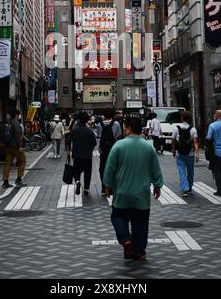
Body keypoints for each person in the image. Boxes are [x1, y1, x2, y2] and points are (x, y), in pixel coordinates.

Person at [103, 116, 163, 261]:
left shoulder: (118, 146)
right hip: (141, 194)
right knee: (140, 222)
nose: (124, 129)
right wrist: (157, 185)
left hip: (122, 193)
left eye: (125, 127)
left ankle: (126, 239)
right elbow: (156, 168)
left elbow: (109, 168)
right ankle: (139, 251)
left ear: (129, 129)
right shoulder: (148, 147)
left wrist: (107, 185)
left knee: (117, 216)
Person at [66, 112, 97, 196]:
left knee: (76, 171)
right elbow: (94, 144)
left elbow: (68, 141)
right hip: (87, 155)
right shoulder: (90, 131)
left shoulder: (74, 130)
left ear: (79, 119)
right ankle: (86, 189)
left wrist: (69, 151)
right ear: (87, 120)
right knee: (87, 172)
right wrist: (90, 151)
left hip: (77, 155)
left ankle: (77, 181)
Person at [172, 111, 199, 197]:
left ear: (182, 118)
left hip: (179, 153)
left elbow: (173, 141)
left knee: (182, 171)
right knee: (190, 171)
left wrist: (173, 151)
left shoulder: (176, 128)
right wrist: (197, 153)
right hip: (190, 153)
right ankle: (190, 187)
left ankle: (184, 189)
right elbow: (195, 142)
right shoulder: (192, 129)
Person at [97, 109, 123, 195]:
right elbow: (118, 135)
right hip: (114, 149)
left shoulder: (99, 125)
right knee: (114, 167)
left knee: (102, 168)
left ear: (104, 115)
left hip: (103, 150)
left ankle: (104, 187)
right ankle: (112, 187)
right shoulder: (116, 124)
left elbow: (99, 137)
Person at [2, 110, 27, 188]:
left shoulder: (8, 123)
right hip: (15, 146)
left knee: (8, 163)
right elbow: (17, 136)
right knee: (22, 161)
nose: (19, 116)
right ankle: (19, 179)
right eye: (19, 115)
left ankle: (5, 182)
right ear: (16, 115)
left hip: (7, 146)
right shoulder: (15, 123)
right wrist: (20, 146)